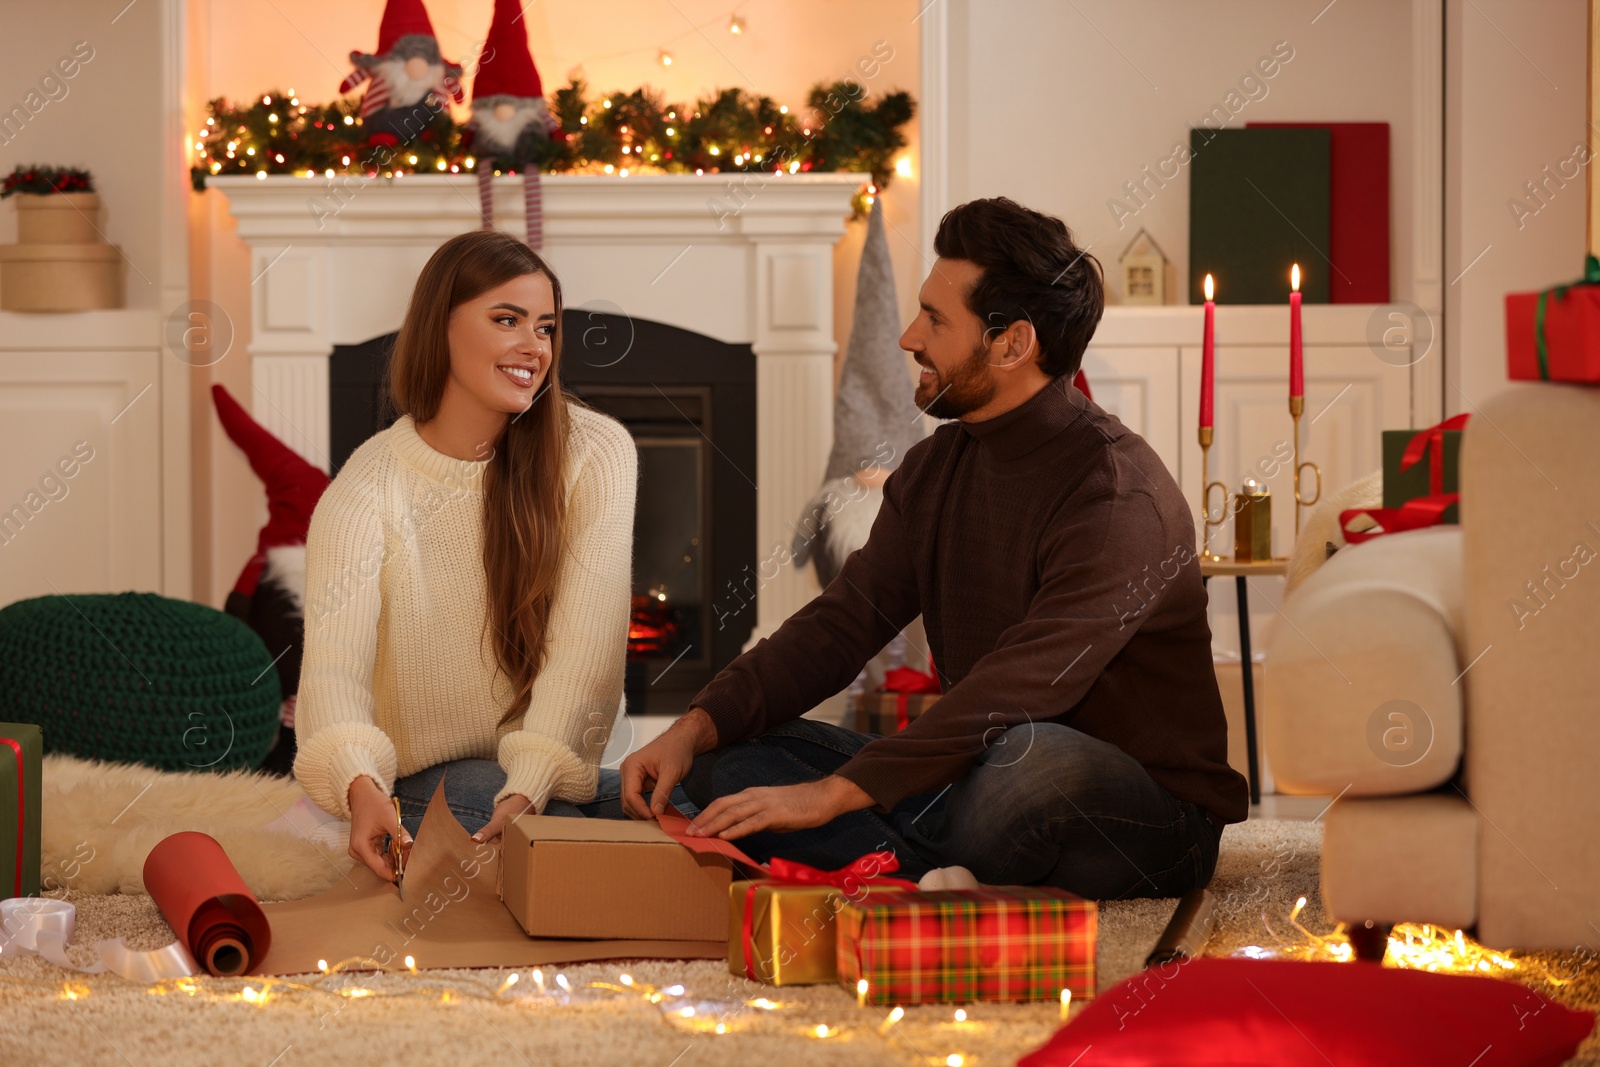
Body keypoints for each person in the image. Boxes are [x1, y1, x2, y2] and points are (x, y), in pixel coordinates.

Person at [619, 197, 1249, 900]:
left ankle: (885, 860)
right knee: (728, 761)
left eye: (936, 320)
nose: (908, 337)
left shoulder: (1116, 496)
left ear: (1012, 345)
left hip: (1139, 816)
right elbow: (839, 624)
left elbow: (1022, 686)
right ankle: (929, 872)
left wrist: (835, 794)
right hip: (973, 774)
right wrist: (694, 726)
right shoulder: (935, 467)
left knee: (1029, 759)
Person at [294, 229, 648, 883]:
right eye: (506, 319)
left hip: (544, 773)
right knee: (581, 842)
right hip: (435, 780)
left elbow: (586, 652)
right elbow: (332, 675)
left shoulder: (596, 452)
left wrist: (533, 784)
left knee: (696, 798)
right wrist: (360, 786)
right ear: (441, 328)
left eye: (545, 327)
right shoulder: (367, 488)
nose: (533, 347)